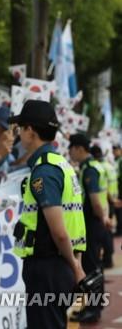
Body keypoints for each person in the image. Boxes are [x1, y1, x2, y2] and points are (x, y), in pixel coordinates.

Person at [10, 101, 86, 329]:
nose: (19, 134)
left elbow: (59, 231)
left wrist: (76, 268)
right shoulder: (60, 163)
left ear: (30, 131)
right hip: (58, 263)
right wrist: (75, 262)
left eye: (20, 128)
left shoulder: (44, 170)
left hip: (47, 266)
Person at [69, 134, 110, 323]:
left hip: (92, 223)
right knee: (93, 265)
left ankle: (94, 308)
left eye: (71, 148)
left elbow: (94, 199)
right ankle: (92, 306)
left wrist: (101, 217)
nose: (70, 152)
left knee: (92, 267)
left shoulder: (89, 170)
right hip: (95, 222)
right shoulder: (91, 166)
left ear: (79, 148)